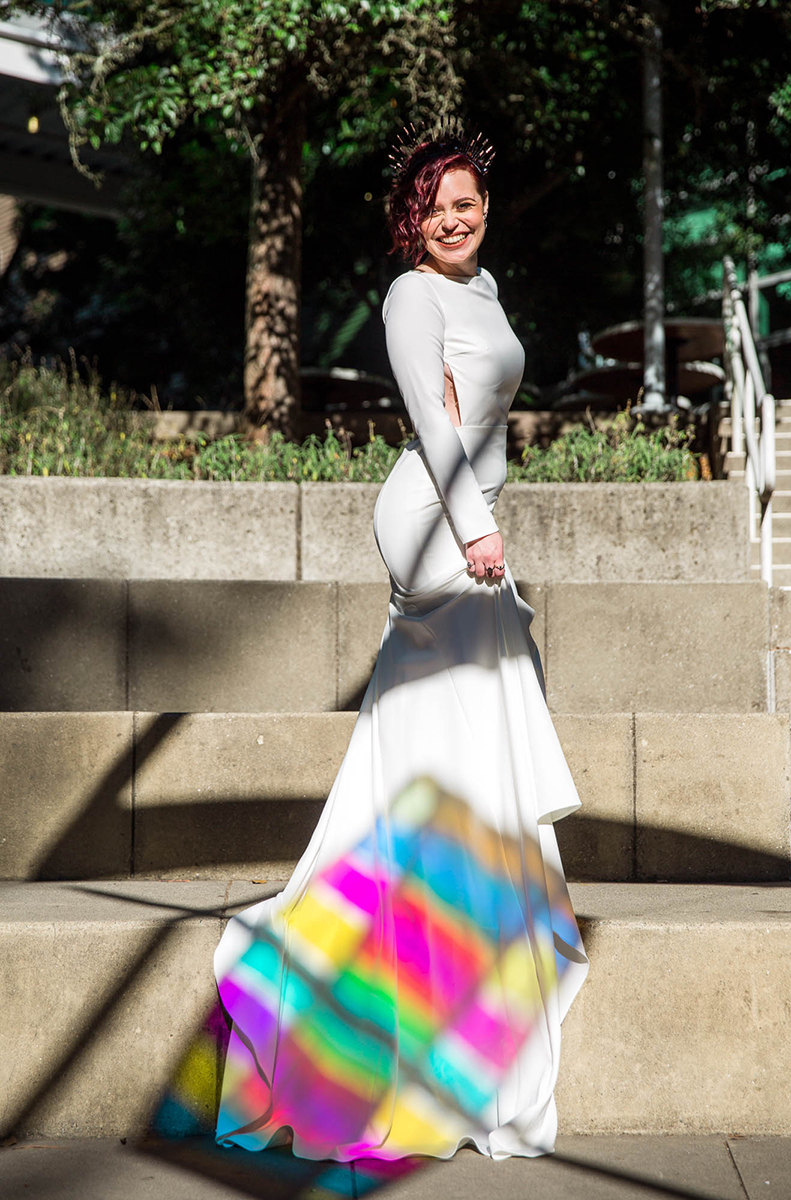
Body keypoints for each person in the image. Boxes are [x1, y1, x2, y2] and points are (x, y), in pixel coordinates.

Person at [212, 125, 588, 1163]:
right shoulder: (409, 295)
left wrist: (485, 512)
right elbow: (433, 417)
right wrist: (473, 525)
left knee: (448, 743)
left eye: (466, 202)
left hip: (466, 522)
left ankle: (449, 902)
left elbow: (488, 416)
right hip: (431, 523)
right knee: (450, 734)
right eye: (437, 208)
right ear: (410, 220)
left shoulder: (483, 286)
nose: (456, 219)